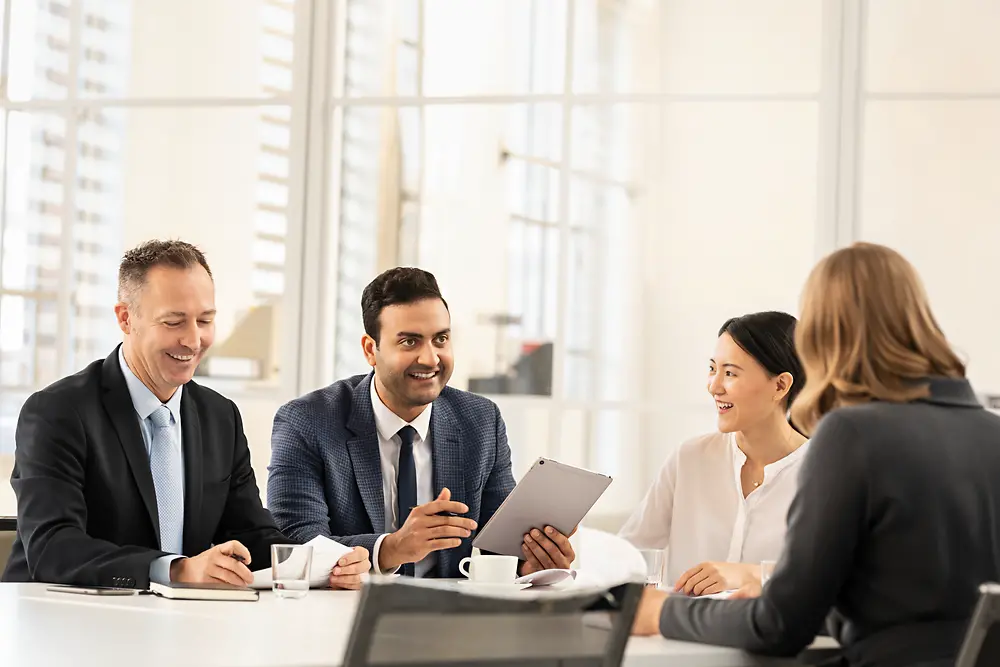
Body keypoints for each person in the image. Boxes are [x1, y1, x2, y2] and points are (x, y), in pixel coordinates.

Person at [632, 242, 1000, 667]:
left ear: (828, 333)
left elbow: (780, 626)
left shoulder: (853, 435)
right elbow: (916, 605)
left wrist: (662, 611)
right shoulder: (992, 433)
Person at [2, 240, 369, 589]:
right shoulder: (57, 412)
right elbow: (52, 547)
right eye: (174, 322)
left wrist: (316, 566)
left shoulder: (219, 416)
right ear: (126, 318)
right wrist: (176, 570)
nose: (193, 340)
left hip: (179, 627)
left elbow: (250, 534)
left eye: (205, 320)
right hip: (59, 626)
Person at [267, 266, 575, 578]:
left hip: (451, 617)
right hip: (344, 615)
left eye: (440, 339)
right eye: (410, 342)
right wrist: (391, 548)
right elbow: (296, 545)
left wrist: (527, 563)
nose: (430, 359)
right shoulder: (306, 422)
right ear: (371, 350)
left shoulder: (481, 421)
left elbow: (497, 544)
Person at [619, 311, 809, 595]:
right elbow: (628, 555)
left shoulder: (820, 473)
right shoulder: (690, 458)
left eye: (730, 373)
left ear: (780, 385)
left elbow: (836, 581)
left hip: (769, 638)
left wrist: (753, 575)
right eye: (712, 369)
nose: (714, 387)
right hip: (677, 635)